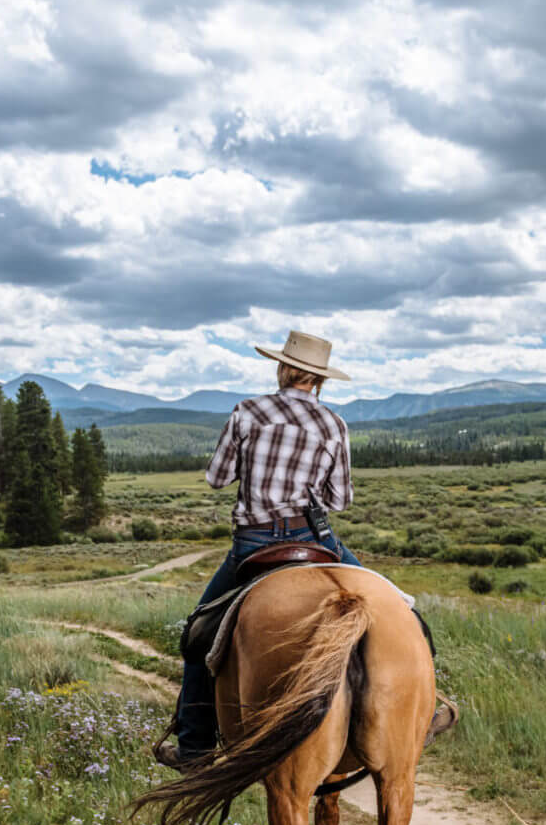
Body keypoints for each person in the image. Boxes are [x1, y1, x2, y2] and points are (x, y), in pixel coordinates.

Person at [154, 330, 454, 771]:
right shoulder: (333, 423)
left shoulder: (248, 411)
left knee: (198, 634)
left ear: (282, 368)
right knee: (403, 610)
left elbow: (217, 478)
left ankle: (195, 748)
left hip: (254, 543)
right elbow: (340, 500)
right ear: (319, 379)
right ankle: (423, 714)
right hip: (314, 539)